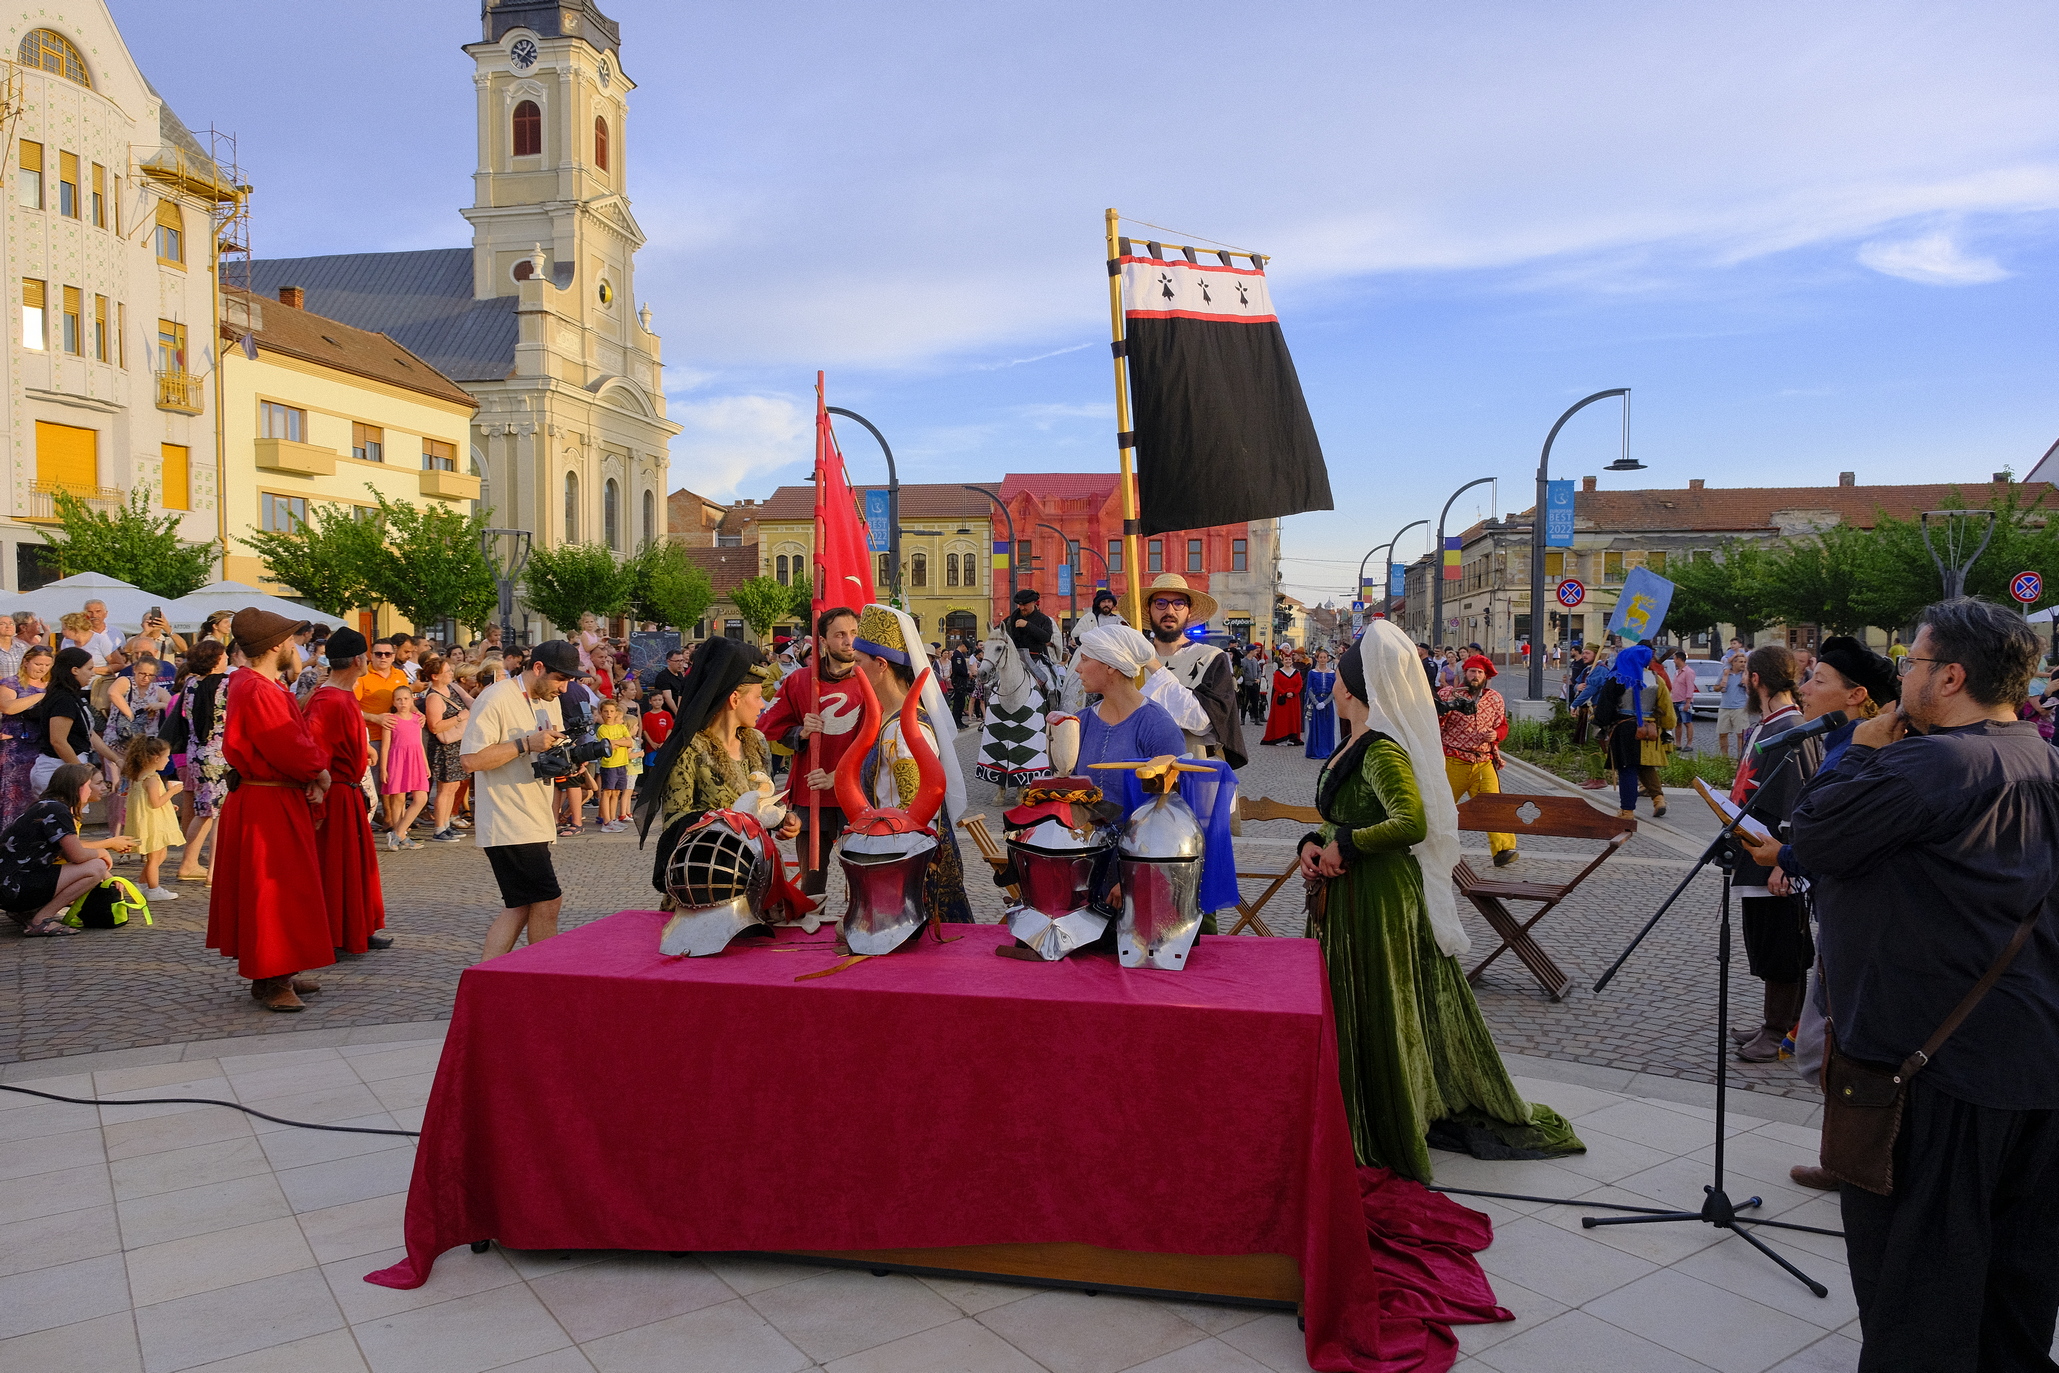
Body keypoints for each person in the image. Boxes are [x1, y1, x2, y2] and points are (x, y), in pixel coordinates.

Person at [1785, 600, 2059, 1369]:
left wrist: (1861, 748)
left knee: (1917, 1290)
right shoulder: (2039, 754)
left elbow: (1812, 835)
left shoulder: (1928, 762)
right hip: (2029, 1058)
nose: (1901, 673)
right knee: (2012, 1284)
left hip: (1937, 1072)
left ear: (1950, 675)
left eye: (1910, 661)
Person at [1299, 625, 1583, 1180]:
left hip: (1379, 898)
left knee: (1381, 1004)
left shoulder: (1380, 749)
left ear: (1353, 688)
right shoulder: (1353, 741)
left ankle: (1385, 1114)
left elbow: (1410, 823)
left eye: (1338, 675)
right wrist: (1312, 843)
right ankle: (1347, 1104)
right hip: (1352, 889)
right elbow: (1342, 816)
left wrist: (1347, 845)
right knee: (1349, 1000)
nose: (1333, 683)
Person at [204, 610, 334, 1012]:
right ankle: (274, 977)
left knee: (284, 887)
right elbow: (286, 744)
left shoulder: (260, 684)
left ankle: (277, 970)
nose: (296, 645)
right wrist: (319, 771)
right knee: (273, 889)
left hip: (273, 795)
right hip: (267, 802)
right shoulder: (257, 688)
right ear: (276, 645)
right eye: (291, 639)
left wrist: (308, 775)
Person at [637, 637, 800, 903]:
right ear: (735, 698)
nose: (762, 705)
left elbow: (762, 799)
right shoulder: (689, 748)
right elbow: (676, 823)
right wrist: (732, 820)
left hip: (756, 877)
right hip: (707, 883)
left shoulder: (757, 741)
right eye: (758, 697)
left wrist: (782, 818)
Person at [849, 604, 973, 923]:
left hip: (902, 875)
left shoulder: (905, 733)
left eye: (858, 662)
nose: (852, 671)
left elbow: (915, 818)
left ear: (880, 664)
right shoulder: (891, 721)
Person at [1724, 645, 1813, 1063]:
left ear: (1756, 679)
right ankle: (1772, 1022)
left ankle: (1782, 1031)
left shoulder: (1792, 726)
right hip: (1757, 850)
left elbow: (1799, 799)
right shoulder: (1773, 723)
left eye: (1746, 675)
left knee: (1783, 949)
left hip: (1776, 858)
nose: (1743, 681)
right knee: (1765, 942)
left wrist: (1785, 860)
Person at [462, 642, 577, 959]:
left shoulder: (548, 699)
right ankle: (543, 976)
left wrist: (568, 758)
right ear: (538, 668)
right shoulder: (496, 698)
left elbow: (545, 748)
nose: (564, 688)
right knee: (548, 899)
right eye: (560, 679)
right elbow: (470, 760)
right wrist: (525, 743)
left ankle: (488, 977)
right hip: (508, 819)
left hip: (535, 817)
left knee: (520, 906)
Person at [759, 607, 866, 895]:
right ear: (823, 640)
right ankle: (810, 923)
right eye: (840, 635)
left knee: (861, 873)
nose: (848, 641)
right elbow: (767, 727)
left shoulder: (872, 680)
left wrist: (842, 775)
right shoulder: (800, 681)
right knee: (812, 877)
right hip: (812, 792)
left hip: (856, 793)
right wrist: (800, 733)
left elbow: (881, 740)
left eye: (853, 633)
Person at [302, 628, 391, 955]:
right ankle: (339, 934)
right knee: (338, 868)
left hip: (348, 791)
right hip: (336, 794)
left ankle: (359, 927)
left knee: (356, 867)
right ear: (358, 660)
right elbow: (314, 752)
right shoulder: (327, 700)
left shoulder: (342, 696)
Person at [0, 763, 134, 936]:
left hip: (9, 884)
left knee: (95, 867)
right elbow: (77, 856)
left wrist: (110, 877)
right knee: (96, 868)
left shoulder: (46, 806)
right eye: (90, 784)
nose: (100, 788)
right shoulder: (58, 810)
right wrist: (103, 851)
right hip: (14, 886)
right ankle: (41, 921)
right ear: (78, 787)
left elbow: (67, 855)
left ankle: (25, 911)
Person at [1436, 654, 1516, 866]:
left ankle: (1503, 849)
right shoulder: (1447, 694)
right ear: (1465, 673)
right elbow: (1435, 722)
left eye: (1480, 672)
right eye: (1472, 671)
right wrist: (1448, 707)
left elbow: (1503, 725)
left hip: (1483, 761)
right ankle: (1433, 847)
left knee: (1493, 805)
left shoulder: (1495, 698)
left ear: (1486, 676)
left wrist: (1496, 735)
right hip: (1454, 760)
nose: (1476, 675)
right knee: (1442, 806)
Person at [1071, 625, 1186, 769]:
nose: (1078, 668)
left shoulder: (1158, 726)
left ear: (1110, 666)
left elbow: (1173, 787)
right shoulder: (1081, 722)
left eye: (1084, 659)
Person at [1589, 643, 1676, 819]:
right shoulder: (1656, 679)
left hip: (1625, 728)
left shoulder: (1618, 677)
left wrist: (1600, 724)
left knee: (1627, 768)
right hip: (1649, 727)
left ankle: (1627, 811)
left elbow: (1606, 705)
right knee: (1645, 765)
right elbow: (1666, 707)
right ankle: (1658, 799)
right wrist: (1667, 728)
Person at [173, 640, 230, 881]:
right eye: (224, 655)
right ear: (216, 659)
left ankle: (190, 863)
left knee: (204, 810)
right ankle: (212, 869)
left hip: (195, 751)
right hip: (219, 753)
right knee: (217, 812)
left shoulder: (190, 683)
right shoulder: (227, 684)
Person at [34, 646, 121, 795]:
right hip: (58, 768)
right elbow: (58, 741)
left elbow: (89, 734)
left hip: (70, 765)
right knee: (63, 814)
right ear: (75, 670)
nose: (92, 673)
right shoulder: (63, 699)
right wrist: (82, 771)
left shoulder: (73, 696)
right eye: (89, 669)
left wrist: (116, 759)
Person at [121, 736, 183, 902]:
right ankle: (154, 889)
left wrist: (169, 805)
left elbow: (149, 801)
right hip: (153, 823)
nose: (168, 760)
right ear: (156, 758)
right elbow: (156, 803)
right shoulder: (152, 779)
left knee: (159, 855)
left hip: (149, 820)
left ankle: (142, 884)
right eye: (166, 757)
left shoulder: (139, 775)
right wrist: (172, 792)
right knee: (155, 858)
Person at [419, 655, 471, 843]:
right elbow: (435, 727)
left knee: (454, 785)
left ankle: (446, 823)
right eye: (447, 671)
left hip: (458, 743)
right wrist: (460, 717)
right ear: (435, 676)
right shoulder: (433, 697)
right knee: (445, 788)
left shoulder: (451, 687)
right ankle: (439, 828)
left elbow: (469, 700)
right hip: (444, 746)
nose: (451, 673)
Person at [0, 646, 53, 828]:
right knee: (13, 796)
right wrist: (40, 696)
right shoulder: (11, 683)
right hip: (16, 748)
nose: (42, 669)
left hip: (43, 746)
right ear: (25, 662)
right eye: (38, 664)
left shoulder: (52, 684)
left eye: (47, 665)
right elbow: (7, 707)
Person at [354, 638, 407, 798]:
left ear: (393, 655)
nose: (383, 657)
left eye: (387, 654)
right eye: (378, 654)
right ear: (372, 655)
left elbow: (407, 700)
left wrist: (418, 715)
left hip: (397, 738)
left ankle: (389, 820)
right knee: (374, 784)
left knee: (394, 784)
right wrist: (375, 718)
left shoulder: (400, 674)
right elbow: (351, 708)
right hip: (372, 738)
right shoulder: (362, 676)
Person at [380, 684, 430, 850]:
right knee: (398, 799)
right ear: (394, 702)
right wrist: (383, 768)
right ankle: (400, 835)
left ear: (412, 700)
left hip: (415, 760)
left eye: (406, 699)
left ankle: (398, 833)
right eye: (399, 699)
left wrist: (426, 764)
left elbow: (420, 744)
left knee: (421, 798)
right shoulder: (391, 719)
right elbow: (386, 746)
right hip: (397, 760)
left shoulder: (417, 719)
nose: (402, 702)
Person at [595, 699, 633, 832]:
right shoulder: (602, 729)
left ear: (616, 712)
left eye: (611, 711)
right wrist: (621, 741)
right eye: (606, 711)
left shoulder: (621, 727)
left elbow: (630, 743)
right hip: (609, 764)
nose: (609, 714)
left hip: (622, 763)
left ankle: (612, 819)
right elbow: (608, 745)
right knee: (607, 792)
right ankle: (606, 821)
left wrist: (617, 742)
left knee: (616, 793)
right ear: (601, 713)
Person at [1715, 638, 1751, 758]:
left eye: (1744, 662)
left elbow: (1752, 691)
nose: (1743, 664)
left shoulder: (1745, 676)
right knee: (1723, 733)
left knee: (1741, 734)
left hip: (1740, 708)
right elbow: (1715, 688)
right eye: (1740, 662)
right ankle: (1724, 758)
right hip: (1725, 707)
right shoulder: (1725, 673)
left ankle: (1741, 757)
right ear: (1734, 662)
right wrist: (1721, 686)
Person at [1262, 649, 1306, 746]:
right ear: (1283, 661)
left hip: (1293, 700)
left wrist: (1293, 693)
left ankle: (1291, 737)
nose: (1288, 661)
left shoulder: (1296, 672)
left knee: (1292, 718)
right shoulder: (1278, 672)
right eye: (1286, 660)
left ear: (1292, 661)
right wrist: (1285, 693)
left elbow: (1299, 684)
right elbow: (1276, 684)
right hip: (1282, 698)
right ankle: (1280, 737)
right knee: (1281, 719)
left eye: (1289, 660)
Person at [1068, 587, 1127, 651]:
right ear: (1099, 604)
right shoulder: (1089, 618)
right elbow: (1077, 636)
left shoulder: (1119, 620)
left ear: (1113, 604)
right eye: (1103, 602)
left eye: (1109, 601)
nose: (1106, 604)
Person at [1305, 648, 1338, 759]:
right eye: (1321, 657)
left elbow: (1334, 690)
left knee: (1328, 728)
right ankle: (1315, 750)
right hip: (1316, 703)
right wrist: (1316, 702)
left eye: (1325, 657)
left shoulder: (1332, 673)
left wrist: (1325, 702)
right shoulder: (1312, 673)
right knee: (1316, 727)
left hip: (1327, 704)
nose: (1323, 659)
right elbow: (1309, 689)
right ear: (1317, 659)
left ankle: (1328, 749)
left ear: (1327, 659)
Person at [1667, 649, 1699, 751]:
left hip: (1684, 701)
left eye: (1675, 659)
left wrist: (1688, 702)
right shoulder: (1677, 672)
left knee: (1687, 722)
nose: (1674, 661)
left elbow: (1690, 687)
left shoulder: (1688, 672)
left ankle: (1689, 744)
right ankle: (1678, 743)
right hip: (1675, 700)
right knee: (1677, 723)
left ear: (1679, 659)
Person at [1239, 643, 1267, 724]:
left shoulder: (1255, 660)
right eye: (1255, 650)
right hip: (1247, 684)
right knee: (1245, 702)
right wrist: (1248, 679)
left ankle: (1257, 719)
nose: (1256, 652)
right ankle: (1242, 719)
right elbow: (1242, 673)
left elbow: (1259, 670)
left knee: (1255, 702)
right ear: (1250, 651)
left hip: (1255, 684)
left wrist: (1258, 678)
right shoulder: (1244, 661)